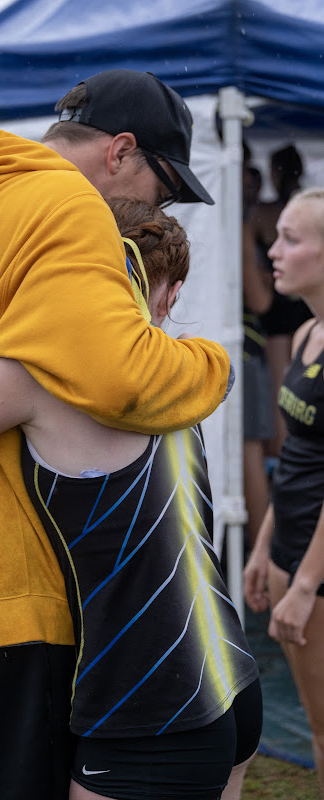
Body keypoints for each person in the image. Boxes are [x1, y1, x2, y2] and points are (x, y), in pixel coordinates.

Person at [0, 69, 232, 799]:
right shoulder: (70, 206)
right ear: (120, 152)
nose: (157, 207)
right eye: (165, 184)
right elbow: (122, 376)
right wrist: (216, 365)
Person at [244, 188, 324, 796]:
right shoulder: (305, 336)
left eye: (292, 239)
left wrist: (303, 584)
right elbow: (295, 456)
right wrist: (264, 548)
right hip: (289, 553)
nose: (274, 250)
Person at [248, 144, 312, 458]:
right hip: (301, 302)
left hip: (276, 304)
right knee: (302, 380)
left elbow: (259, 261)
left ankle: (283, 454)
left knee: (281, 382)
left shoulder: (265, 211)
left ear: (276, 172)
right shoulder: (303, 207)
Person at [241, 159, 274, 548]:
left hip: (249, 347)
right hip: (247, 349)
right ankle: (259, 555)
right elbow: (262, 300)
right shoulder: (241, 228)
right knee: (253, 452)